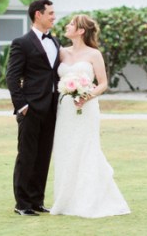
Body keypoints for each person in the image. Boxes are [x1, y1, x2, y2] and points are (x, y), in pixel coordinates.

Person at [51, 14, 130, 218]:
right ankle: (65, 199)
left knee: (86, 150)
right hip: (65, 109)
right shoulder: (61, 53)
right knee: (66, 151)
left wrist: (87, 95)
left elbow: (103, 83)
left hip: (86, 109)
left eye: (71, 24)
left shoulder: (94, 54)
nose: (66, 26)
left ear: (81, 31)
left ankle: (88, 201)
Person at [6, 0, 59, 216]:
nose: (54, 17)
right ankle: (22, 204)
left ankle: (37, 200)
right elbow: (12, 76)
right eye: (50, 13)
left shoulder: (55, 41)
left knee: (44, 155)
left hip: (52, 107)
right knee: (27, 155)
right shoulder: (21, 42)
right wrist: (21, 105)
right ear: (38, 14)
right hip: (31, 108)